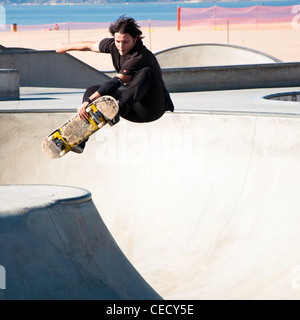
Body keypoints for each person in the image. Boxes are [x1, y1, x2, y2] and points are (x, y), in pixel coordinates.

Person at [56, 15, 174, 153]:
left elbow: (115, 82)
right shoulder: (113, 45)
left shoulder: (140, 56)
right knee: (92, 89)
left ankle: (117, 110)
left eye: (125, 42)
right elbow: (89, 45)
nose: (121, 46)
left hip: (152, 108)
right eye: (118, 41)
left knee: (146, 72)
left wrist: (90, 100)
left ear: (135, 40)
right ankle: (80, 138)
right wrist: (65, 47)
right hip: (132, 106)